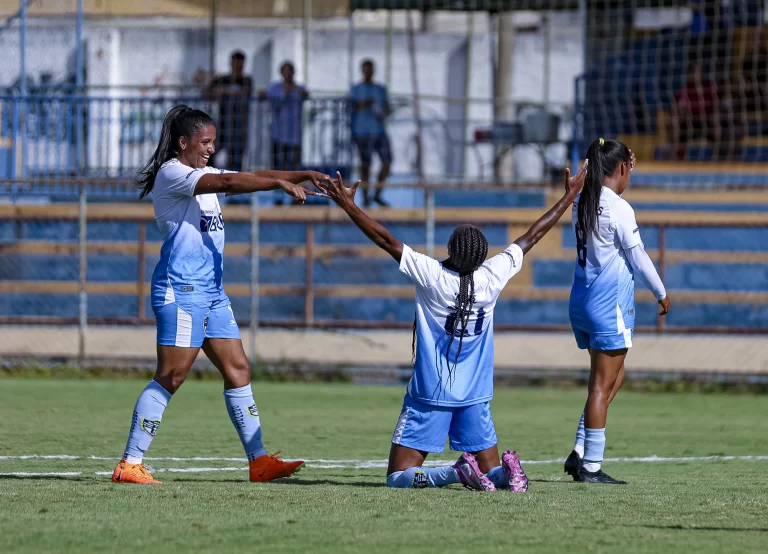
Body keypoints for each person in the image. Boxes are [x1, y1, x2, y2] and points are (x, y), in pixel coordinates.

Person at [317, 165, 588, 491]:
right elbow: (532, 236)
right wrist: (570, 194)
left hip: (431, 394)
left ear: (450, 249)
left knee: (397, 478)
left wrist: (347, 204)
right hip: (474, 395)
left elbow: (384, 238)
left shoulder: (432, 275)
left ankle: (453, 473)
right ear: (482, 255)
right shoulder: (492, 277)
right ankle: (509, 472)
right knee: (489, 476)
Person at [112, 105, 329, 485]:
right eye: (205, 142)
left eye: (214, 142)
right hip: (181, 291)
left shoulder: (202, 173)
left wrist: (302, 173)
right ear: (183, 143)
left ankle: (259, 461)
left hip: (212, 293)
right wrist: (279, 186)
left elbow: (248, 175)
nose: (211, 148)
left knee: (238, 370)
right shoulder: (173, 173)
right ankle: (130, 463)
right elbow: (231, 184)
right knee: (172, 375)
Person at [564, 138, 670, 485]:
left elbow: (602, 173)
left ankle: (579, 451)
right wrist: (661, 292)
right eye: (628, 169)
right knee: (600, 385)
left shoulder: (581, 198)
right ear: (622, 168)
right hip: (607, 305)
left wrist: (617, 160)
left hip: (582, 300)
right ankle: (591, 467)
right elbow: (638, 257)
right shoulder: (619, 208)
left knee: (613, 376)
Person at [349, 59, 392, 208]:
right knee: (366, 165)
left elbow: (387, 107)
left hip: (379, 130)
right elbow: (352, 107)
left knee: (387, 162)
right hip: (362, 132)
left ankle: (378, 194)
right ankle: (366, 197)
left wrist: (385, 111)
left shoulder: (380, 89)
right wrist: (365, 103)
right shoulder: (356, 88)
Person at [204, 50, 252, 171]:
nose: (237, 67)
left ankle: (234, 186)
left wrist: (224, 91)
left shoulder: (246, 80)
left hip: (239, 125)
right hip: (223, 122)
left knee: (235, 157)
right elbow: (206, 92)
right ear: (231, 64)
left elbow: (245, 92)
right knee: (211, 151)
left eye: (240, 65)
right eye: (235, 64)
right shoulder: (222, 79)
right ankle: (209, 179)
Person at [669, 63, 719, 160]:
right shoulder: (686, 90)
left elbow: (715, 105)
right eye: (695, 72)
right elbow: (676, 105)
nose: (697, 74)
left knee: (716, 125)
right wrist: (680, 110)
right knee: (679, 125)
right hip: (691, 121)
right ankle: (677, 158)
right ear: (691, 74)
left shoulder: (709, 87)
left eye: (699, 72)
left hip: (707, 121)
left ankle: (716, 157)